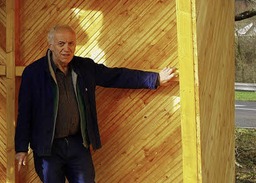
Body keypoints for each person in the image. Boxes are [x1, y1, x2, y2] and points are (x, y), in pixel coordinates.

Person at [14, 24, 177, 183]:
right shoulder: (33, 73)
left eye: (71, 43)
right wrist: (21, 148)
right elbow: (25, 113)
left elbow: (116, 76)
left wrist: (155, 79)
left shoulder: (85, 67)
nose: (67, 48)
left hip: (78, 144)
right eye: (61, 44)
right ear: (50, 46)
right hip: (48, 148)